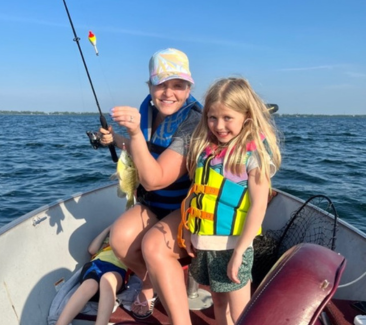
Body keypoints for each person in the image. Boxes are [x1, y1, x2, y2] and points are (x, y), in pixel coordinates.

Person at [143, 77, 282, 325]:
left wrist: (240, 251)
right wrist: (186, 228)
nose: (219, 126)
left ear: (246, 117)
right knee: (218, 302)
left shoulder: (253, 156)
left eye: (228, 118)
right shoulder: (208, 150)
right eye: (212, 118)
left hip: (234, 246)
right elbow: (197, 193)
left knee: (240, 312)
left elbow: (258, 207)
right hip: (206, 243)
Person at [99, 48, 202, 321]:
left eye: (178, 85)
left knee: (154, 246)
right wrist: (117, 139)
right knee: (119, 238)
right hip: (154, 204)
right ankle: (149, 281)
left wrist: (133, 133)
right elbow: (142, 148)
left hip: (186, 207)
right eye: (161, 84)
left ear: (189, 87)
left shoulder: (193, 123)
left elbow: (154, 179)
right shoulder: (148, 111)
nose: (169, 93)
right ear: (150, 86)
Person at [55, 225, 128, 325]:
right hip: (96, 265)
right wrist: (108, 229)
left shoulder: (132, 245)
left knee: (108, 279)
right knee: (90, 285)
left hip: (117, 270)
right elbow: (92, 250)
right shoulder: (109, 240)